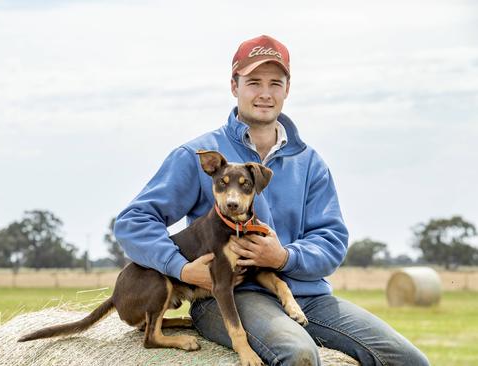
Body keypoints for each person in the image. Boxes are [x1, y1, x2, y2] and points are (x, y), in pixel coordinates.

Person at [113, 35, 429, 366]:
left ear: (287, 89)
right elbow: (133, 222)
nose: (265, 93)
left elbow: (332, 241)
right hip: (230, 296)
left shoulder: (310, 163)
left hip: (307, 296)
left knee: (410, 360)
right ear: (234, 86)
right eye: (253, 82)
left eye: (275, 83)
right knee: (298, 355)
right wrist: (180, 268)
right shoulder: (196, 155)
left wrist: (284, 257)